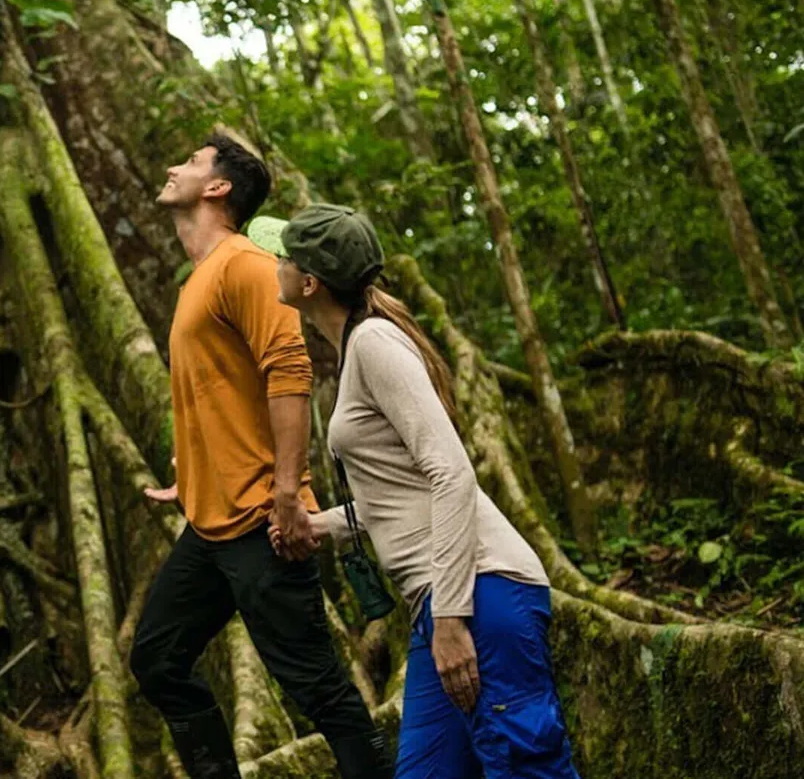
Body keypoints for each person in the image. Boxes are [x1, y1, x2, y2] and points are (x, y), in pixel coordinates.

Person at [274, 205, 580, 778]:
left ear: (310, 282)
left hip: (477, 594)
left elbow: (452, 472)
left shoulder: (374, 344)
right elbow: (401, 493)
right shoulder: (356, 349)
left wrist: (452, 618)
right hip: (438, 604)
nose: (277, 264)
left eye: (285, 257)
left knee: (524, 767)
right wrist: (324, 525)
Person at [129, 135, 391, 779]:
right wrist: (190, 473)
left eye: (190, 163)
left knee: (319, 691)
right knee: (157, 659)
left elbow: (289, 371)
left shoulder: (244, 266)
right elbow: (222, 393)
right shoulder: (200, 280)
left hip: (262, 524)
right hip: (211, 524)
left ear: (218, 189)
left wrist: (286, 492)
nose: (174, 166)